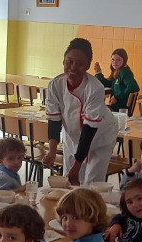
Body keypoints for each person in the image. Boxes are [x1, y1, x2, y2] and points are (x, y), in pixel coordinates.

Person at [43, 38, 118, 185]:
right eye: (69, 61)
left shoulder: (95, 88)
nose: (73, 67)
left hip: (100, 137)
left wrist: (77, 166)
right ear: (63, 60)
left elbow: (89, 129)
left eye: (80, 64)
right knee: (68, 182)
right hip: (72, 136)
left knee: (92, 184)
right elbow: (54, 120)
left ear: (88, 66)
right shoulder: (55, 85)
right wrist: (52, 151)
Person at [93, 48, 140, 112]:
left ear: (124, 61)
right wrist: (98, 73)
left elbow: (133, 87)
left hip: (120, 109)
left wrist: (117, 97)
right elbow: (109, 83)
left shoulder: (125, 72)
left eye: (118, 60)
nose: (114, 62)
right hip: (116, 107)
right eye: (113, 60)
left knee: (95, 110)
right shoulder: (118, 72)